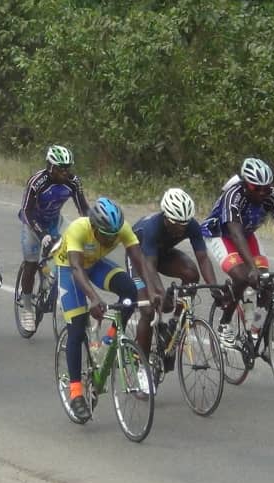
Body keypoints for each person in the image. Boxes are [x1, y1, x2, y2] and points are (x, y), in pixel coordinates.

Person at [57, 197, 160, 422]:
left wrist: (151, 291)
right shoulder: (78, 229)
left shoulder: (120, 228)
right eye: (106, 235)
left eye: (115, 235)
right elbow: (76, 267)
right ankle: (75, 392)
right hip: (70, 269)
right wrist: (94, 299)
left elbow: (139, 261)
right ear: (94, 226)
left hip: (94, 265)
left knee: (130, 293)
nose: (111, 239)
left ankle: (108, 341)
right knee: (76, 326)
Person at [200, 157, 274, 347]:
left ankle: (255, 330)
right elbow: (235, 234)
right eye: (256, 188)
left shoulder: (272, 195)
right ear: (245, 184)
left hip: (246, 234)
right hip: (221, 234)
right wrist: (251, 268)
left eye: (266, 188)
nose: (262, 193)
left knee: (266, 283)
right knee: (243, 276)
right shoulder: (233, 195)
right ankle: (224, 323)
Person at [131, 188, 221, 359]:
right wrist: (160, 292)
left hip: (160, 253)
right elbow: (149, 266)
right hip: (139, 259)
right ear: (166, 217)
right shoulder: (151, 228)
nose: (181, 228)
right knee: (149, 309)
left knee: (191, 273)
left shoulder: (191, 225)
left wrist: (214, 287)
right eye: (176, 224)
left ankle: (175, 323)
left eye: (184, 224)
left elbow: (202, 258)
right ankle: (140, 361)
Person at [17, 145, 90, 333]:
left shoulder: (73, 182)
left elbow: (84, 210)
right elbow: (26, 211)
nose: (65, 173)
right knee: (31, 264)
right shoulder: (37, 182)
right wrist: (41, 234)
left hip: (56, 221)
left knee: (71, 253)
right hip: (33, 222)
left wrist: (91, 230)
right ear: (50, 166)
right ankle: (26, 307)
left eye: (68, 168)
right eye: (60, 168)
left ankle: (54, 278)